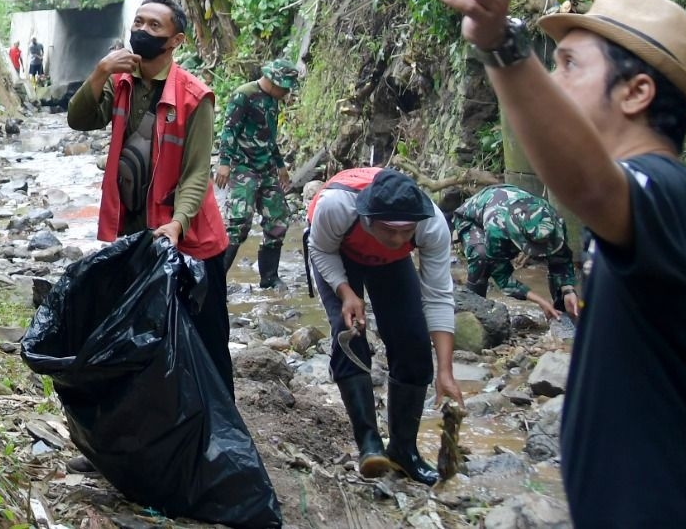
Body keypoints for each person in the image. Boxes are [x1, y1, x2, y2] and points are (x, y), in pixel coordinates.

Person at [434, 0, 686, 526]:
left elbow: (590, 190)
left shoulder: (659, 188)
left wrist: (502, 44)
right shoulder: (675, 202)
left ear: (636, 94)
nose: (553, 80)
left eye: (571, 65)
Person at [66, 0, 233, 386]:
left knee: (208, 340)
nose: (142, 30)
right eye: (138, 22)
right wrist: (100, 72)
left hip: (191, 238)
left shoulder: (194, 97)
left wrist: (178, 224)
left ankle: (221, 431)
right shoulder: (120, 81)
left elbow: (196, 174)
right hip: (140, 235)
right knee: (150, 336)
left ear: (176, 40)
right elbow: (79, 119)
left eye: (154, 25)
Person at [304, 167, 460, 483]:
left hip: (390, 264)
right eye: (390, 229)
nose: (399, 238)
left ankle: (404, 451)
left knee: (413, 344)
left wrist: (445, 370)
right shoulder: (337, 206)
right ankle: (369, 444)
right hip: (337, 252)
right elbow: (320, 249)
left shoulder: (430, 223)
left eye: (407, 231)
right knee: (350, 335)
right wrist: (345, 292)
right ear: (368, 218)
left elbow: (439, 295)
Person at [215, 56, 299, 292]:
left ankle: (269, 277)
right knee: (238, 223)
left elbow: (268, 136)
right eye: (285, 88)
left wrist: (280, 165)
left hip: (267, 168)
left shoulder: (272, 100)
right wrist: (224, 163)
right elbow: (229, 129)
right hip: (243, 168)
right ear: (273, 81)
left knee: (278, 219)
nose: (286, 93)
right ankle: (215, 280)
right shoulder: (244, 94)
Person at [450, 182, 580, 321]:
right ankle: (473, 312)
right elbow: (502, 276)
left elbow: (562, 260)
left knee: (559, 270)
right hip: (472, 218)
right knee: (481, 257)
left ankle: (561, 313)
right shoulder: (496, 227)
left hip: (507, 204)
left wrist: (568, 290)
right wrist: (540, 300)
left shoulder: (554, 221)